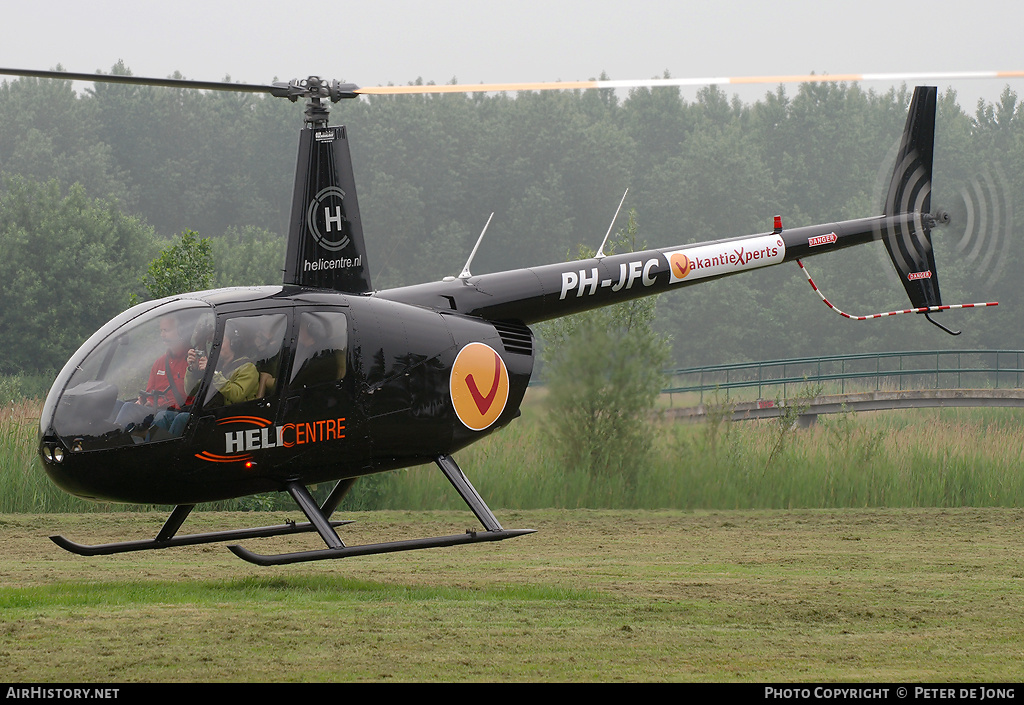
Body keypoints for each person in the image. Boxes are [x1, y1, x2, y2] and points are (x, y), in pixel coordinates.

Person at [150, 323, 259, 438]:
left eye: (220, 341)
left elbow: (237, 394)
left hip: (229, 418)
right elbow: (189, 391)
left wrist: (213, 372)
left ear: (233, 343)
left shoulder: (247, 368)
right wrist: (193, 369)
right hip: (209, 413)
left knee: (183, 419)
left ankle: (169, 452)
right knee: (163, 416)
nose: (215, 345)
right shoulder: (217, 365)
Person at [114, 314, 190, 430]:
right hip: (154, 410)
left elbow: (189, 397)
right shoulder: (159, 362)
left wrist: (158, 403)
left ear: (181, 330)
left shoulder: (191, 362)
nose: (162, 335)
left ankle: (114, 440)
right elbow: (149, 394)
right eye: (161, 331)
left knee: (129, 408)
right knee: (117, 405)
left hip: (172, 412)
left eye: (166, 330)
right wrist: (143, 401)